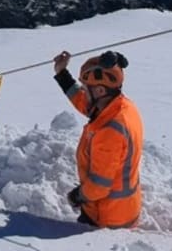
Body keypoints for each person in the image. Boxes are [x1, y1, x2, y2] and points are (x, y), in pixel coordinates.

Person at [52, 49, 144, 228]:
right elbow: (83, 102)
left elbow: (99, 186)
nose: (83, 92)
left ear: (100, 90)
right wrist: (62, 74)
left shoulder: (110, 130)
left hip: (107, 217)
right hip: (123, 207)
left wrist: (76, 196)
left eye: (86, 88)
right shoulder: (118, 105)